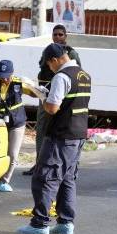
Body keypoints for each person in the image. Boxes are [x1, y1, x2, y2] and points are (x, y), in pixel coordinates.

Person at [16, 43, 91, 234]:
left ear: (55, 60)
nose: (49, 68)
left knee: (45, 178)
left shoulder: (61, 77)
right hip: (78, 134)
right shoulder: (83, 75)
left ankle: (40, 223)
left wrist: (40, 94)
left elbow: (52, 108)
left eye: (49, 64)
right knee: (67, 179)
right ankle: (66, 223)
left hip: (61, 135)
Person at [23, 24, 81, 176]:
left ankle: (60, 166)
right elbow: (42, 69)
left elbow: (76, 75)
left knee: (61, 133)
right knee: (42, 130)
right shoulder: (48, 51)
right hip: (45, 95)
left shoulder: (71, 54)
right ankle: (39, 164)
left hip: (62, 99)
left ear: (65, 36)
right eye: (55, 34)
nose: (57, 37)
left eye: (61, 34)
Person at [0, 60, 47, 192]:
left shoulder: (19, 83)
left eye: (7, 76)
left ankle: (4, 180)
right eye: (2, 76)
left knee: (12, 153)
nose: (5, 79)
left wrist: (39, 90)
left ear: (12, 73)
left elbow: (34, 93)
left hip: (16, 121)